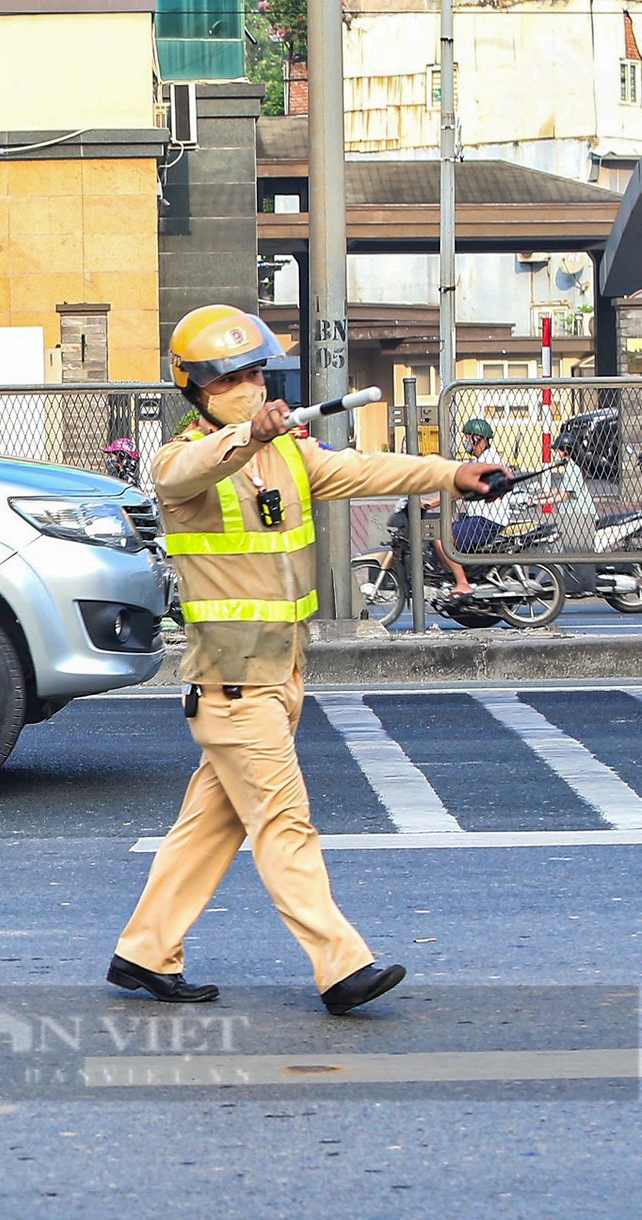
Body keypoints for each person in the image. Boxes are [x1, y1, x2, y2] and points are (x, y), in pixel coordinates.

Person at [108, 305, 503, 1016]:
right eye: (233, 377)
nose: (252, 387)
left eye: (258, 372)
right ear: (197, 386)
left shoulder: (289, 453)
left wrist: (453, 474)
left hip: (281, 676)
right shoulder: (178, 462)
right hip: (234, 687)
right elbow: (186, 470)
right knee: (287, 826)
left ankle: (144, 951)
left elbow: (362, 467)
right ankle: (340, 965)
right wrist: (243, 436)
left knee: (208, 828)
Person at [434, 418, 508, 604]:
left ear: (478, 438)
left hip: (487, 521)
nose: (466, 442)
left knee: (441, 537)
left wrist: (432, 502)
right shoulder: (483, 460)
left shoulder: (488, 461)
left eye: (468, 438)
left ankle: (462, 583)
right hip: (480, 519)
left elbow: (462, 490)